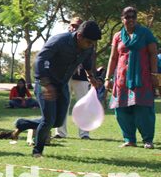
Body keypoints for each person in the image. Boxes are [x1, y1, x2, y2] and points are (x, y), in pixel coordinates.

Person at [8, 21, 101, 157]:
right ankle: (37, 151)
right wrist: (47, 85)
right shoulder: (59, 41)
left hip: (62, 84)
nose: (91, 45)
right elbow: (39, 60)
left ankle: (22, 124)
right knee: (48, 120)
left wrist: (91, 77)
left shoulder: (87, 47)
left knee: (57, 121)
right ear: (79, 36)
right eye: (89, 42)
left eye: (93, 43)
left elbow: (86, 61)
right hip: (45, 83)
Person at [105, 7, 158, 149]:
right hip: (121, 79)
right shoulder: (118, 36)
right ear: (122, 19)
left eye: (133, 16)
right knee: (121, 110)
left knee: (143, 109)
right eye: (127, 17)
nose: (130, 19)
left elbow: (153, 54)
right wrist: (107, 78)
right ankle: (129, 139)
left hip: (143, 78)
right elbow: (113, 57)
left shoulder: (145, 33)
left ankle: (148, 140)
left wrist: (154, 74)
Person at [54, 17, 92, 139]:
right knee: (62, 103)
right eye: (72, 25)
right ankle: (60, 132)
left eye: (77, 26)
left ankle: (84, 133)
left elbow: (89, 61)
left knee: (84, 105)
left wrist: (91, 75)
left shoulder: (87, 40)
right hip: (65, 77)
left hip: (81, 77)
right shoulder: (64, 40)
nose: (74, 28)